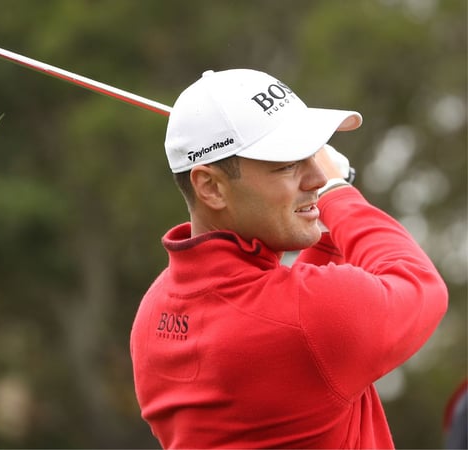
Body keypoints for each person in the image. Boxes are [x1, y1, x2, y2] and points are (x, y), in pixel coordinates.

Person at [129, 68, 449, 449]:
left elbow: (293, 313)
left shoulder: (153, 316)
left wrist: (318, 215)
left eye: (310, 156)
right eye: (287, 164)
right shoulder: (305, 321)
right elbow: (419, 283)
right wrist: (337, 192)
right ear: (211, 187)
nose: (314, 176)